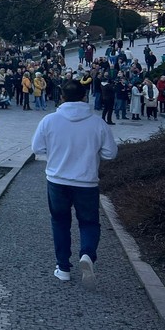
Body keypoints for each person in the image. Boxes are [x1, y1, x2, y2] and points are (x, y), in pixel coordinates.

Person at [32, 79, 118, 287]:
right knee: (89, 222)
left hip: (57, 179)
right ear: (84, 96)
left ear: (62, 97)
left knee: (60, 222)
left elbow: (37, 148)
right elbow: (110, 153)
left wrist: (55, 154)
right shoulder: (98, 123)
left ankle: (63, 268)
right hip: (86, 181)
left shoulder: (49, 121)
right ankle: (87, 254)